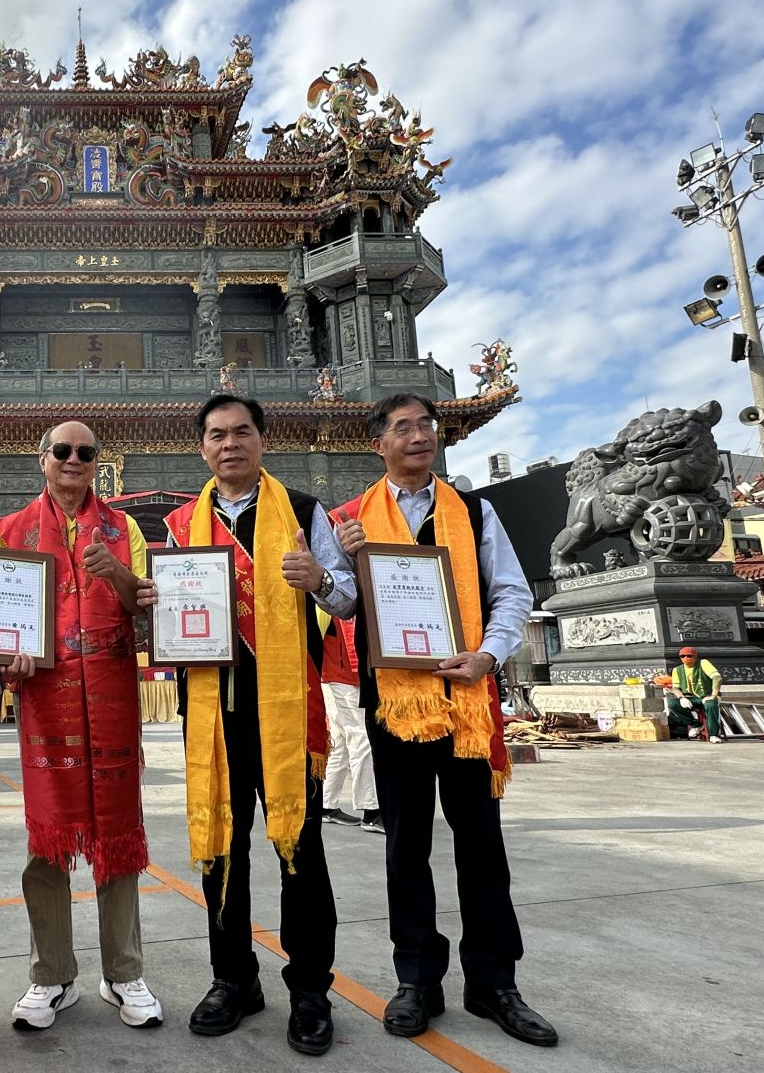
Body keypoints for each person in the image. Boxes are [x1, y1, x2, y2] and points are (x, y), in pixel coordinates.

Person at [334, 393, 552, 1047]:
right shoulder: (353, 519)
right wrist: (334, 568)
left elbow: (510, 591)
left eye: (426, 425)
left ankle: (493, 983)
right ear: (378, 443)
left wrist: (488, 655)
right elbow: (344, 605)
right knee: (406, 846)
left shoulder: (474, 512)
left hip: (467, 701)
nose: (419, 436)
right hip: (395, 704)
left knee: (481, 845)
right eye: (403, 427)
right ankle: (417, 979)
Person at [163, 394, 359, 1056]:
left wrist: (319, 579)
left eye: (241, 432)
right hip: (211, 711)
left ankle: (309, 988)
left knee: (300, 850)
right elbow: (169, 614)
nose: (230, 444)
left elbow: (348, 599)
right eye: (216, 435)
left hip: (287, 711)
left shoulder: (303, 511)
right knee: (222, 847)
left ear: (261, 440)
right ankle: (233, 979)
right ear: (202, 448)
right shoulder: (182, 525)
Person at [0, 421, 163, 1032]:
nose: (73, 459)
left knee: (119, 835)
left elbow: (143, 603)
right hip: (46, 700)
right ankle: (52, 975)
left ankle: (123, 972)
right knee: (49, 840)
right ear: (42, 459)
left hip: (111, 695)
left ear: (97, 462)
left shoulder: (124, 529)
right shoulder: (10, 531)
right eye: (61, 450)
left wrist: (113, 571)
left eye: (85, 452)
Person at [316, 612, 380, 833]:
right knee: (361, 739)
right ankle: (370, 810)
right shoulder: (330, 603)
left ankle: (327, 804)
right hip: (341, 677)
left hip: (337, 675)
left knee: (341, 741)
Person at [671, 646, 726, 744]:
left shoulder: (703, 663)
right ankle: (696, 725)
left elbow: (717, 678)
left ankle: (714, 734)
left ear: (695, 657)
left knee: (711, 705)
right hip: (691, 697)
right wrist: (681, 698)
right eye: (683, 656)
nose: (686, 658)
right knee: (672, 703)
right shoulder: (677, 670)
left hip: (708, 695)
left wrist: (713, 696)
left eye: (689, 656)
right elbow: (675, 688)